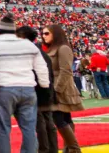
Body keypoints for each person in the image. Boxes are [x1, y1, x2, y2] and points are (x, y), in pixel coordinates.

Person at [0, 14, 49, 153]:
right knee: (29, 128)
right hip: (27, 88)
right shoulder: (28, 45)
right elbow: (41, 67)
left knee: (2, 129)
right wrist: (44, 85)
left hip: (4, 88)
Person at [42, 25, 84, 153]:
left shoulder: (63, 48)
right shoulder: (51, 49)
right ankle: (69, 150)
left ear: (56, 34)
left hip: (61, 87)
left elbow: (66, 71)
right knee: (65, 118)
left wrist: (56, 90)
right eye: (43, 33)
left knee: (59, 119)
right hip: (54, 86)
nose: (43, 36)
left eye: (46, 33)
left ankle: (74, 149)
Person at [16, 26, 58, 153]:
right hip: (45, 91)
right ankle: (51, 149)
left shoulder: (32, 53)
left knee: (40, 124)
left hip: (37, 91)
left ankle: (43, 149)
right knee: (47, 123)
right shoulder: (41, 52)